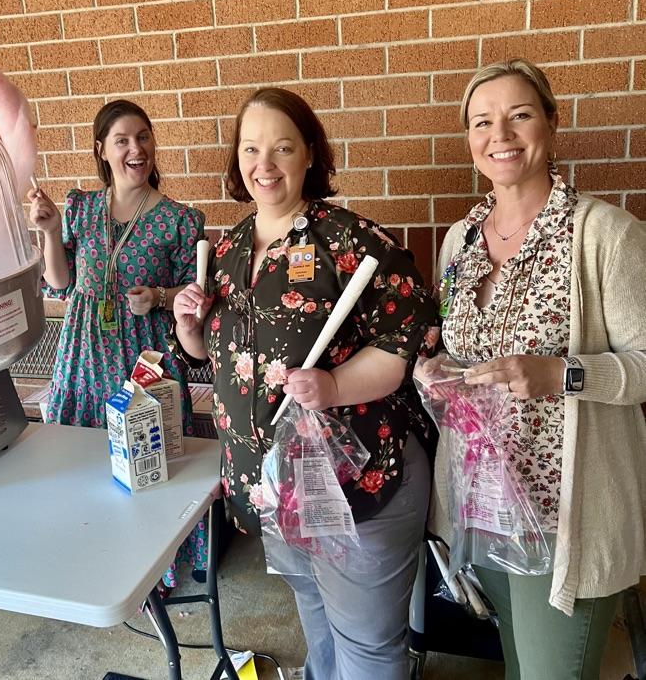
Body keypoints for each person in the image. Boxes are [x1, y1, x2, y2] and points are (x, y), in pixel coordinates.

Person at [172, 87, 440, 680]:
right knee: (315, 616)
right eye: (250, 148)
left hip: (357, 484)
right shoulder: (227, 249)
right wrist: (190, 328)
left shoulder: (349, 241)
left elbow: (407, 341)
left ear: (310, 154)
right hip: (275, 489)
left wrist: (334, 386)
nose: (263, 165)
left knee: (366, 644)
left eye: (282, 147)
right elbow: (214, 359)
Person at [429, 58, 646, 680]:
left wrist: (562, 375)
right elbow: (467, 353)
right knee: (520, 665)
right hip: (486, 506)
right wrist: (438, 373)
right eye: (482, 122)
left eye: (519, 115)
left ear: (551, 123)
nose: (501, 134)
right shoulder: (460, 240)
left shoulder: (604, 234)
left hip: (566, 516)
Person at [28, 99, 207, 593]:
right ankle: (89, 548)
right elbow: (60, 284)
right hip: (83, 349)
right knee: (79, 449)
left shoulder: (178, 219)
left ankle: (154, 562)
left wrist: (159, 297)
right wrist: (47, 232)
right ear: (102, 151)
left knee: (150, 453)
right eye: (123, 140)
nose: (136, 148)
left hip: (143, 354)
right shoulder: (79, 209)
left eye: (144, 137)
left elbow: (194, 293)